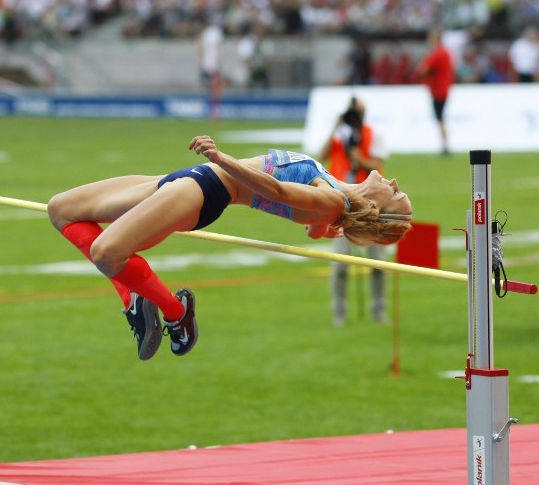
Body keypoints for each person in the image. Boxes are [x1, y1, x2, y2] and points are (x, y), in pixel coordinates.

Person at [47, 136, 413, 361]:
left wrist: (222, 159)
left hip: (204, 191)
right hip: (189, 178)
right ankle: (134, 301)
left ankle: (176, 313)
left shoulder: (332, 200)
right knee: (61, 209)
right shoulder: (333, 195)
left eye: (396, 193)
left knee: (107, 253)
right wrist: (322, 230)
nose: (394, 181)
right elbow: (312, 225)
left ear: (378, 209)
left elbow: (281, 192)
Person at [318, 97, 389, 326]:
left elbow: (378, 166)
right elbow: (322, 154)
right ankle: (339, 311)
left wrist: (361, 159)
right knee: (340, 262)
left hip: (369, 204)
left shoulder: (372, 134)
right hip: (341, 203)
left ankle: (378, 309)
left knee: (378, 262)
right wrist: (336, 127)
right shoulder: (340, 136)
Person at [418, 28, 455, 155]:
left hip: (438, 90)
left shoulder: (438, 54)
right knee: (441, 118)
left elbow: (423, 69)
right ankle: (445, 144)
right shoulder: (446, 53)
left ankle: (445, 145)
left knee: (440, 118)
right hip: (444, 88)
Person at [197, 16, 224, 119]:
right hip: (213, 65)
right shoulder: (217, 33)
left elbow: (199, 46)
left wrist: (201, 61)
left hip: (205, 64)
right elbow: (218, 49)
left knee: (205, 87)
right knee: (215, 90)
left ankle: (204, 111)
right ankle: (215, 112)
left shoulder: (205, 33)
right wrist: (218, 63)